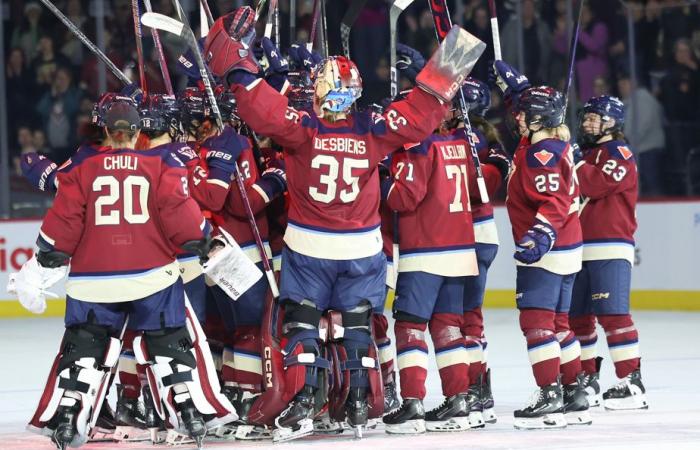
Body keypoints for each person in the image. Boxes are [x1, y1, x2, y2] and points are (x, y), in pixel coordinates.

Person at [203, 7, 479, 441]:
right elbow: (423, 113)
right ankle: (355, 405)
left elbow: (261, 110)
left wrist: (239, 66)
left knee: (302, 326)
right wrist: (455, 56)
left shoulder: (304, 129)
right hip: (362, 249)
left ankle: (304, 400)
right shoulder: (373, 127)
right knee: (355, 328)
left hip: (310, 248)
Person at [12, 98, 236, 449]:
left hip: (93, 279)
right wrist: (203, 241)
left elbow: (62, 227)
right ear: (137, 133)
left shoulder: (83, 168)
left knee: (84, 348)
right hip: (150, 274)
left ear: (105, 130)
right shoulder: (157, 164)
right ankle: (190, 412)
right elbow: (180, 215)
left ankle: (69, 418)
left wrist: (46, 261)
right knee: (169, 341)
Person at [490, 61, 590, 429]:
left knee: (537, 323)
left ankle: (549, 393)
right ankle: (575, 390)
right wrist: (517, 90)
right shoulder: (554, 144)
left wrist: (541, 234)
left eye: (522, 115)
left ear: (535, 120)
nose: (516, 119)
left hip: (548, 250)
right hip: (569, 249)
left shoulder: (540, 153)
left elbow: (554, 201)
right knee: (560, 322)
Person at [381, 99, 481, 435]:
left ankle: (412, 402)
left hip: (425, 249)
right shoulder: (460, 143)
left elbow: (404, 198)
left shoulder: (417, 146)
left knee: (410, 326)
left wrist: (381, 177)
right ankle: (459, 399)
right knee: (449, 327)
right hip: (460, 248)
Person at [570, 95, 648, 411]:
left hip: (609, 245)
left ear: (612, 122)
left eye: (594, 118)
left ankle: (632, 382)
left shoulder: (619, 152)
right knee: (578, 319)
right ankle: (586, 379)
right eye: (586, 117)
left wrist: (575, 161)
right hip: (578, 246)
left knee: (613, 315)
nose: (587, 123)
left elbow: (597, 184)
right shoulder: (590, 153)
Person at [459, 78, 511, 426]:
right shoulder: (488, 139)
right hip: (480, 234)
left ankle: (475, 386)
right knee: (468, 316)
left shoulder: (467, 139)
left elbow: (480, 187)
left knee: (460, 318)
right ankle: (477, 386)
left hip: (467, 235)